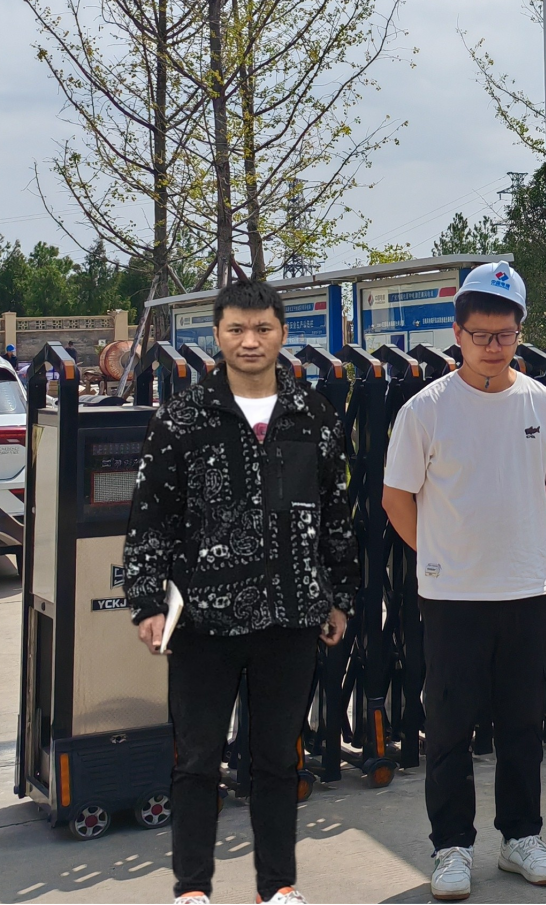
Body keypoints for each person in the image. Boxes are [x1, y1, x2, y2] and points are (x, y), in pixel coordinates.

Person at [123, 279, 357, 905]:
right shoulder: (182, 419)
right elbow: (150, 517)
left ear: (282, 333)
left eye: (262, 329)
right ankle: (192, 890)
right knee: (197, 761)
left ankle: (276, 887)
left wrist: (339, 595)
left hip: (291, 616)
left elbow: (335, 511)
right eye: (236, 329)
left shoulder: (313, 415)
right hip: (204, 620)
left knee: (279, 760)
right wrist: (147, 603)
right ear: (217, 335)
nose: (249, 341)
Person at [382, 261, 546, 901]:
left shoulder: (545, 404)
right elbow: (396, 499)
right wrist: (444, 550)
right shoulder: (426, 410)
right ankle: (452, 848)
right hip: (452, 596)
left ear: (520, 333)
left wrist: (510, 529)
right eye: (480, 335)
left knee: (524, 724)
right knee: (449, 728)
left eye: (504, 335)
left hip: (525, 589)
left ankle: (521, 837)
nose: (492, 347)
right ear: (457, 333)